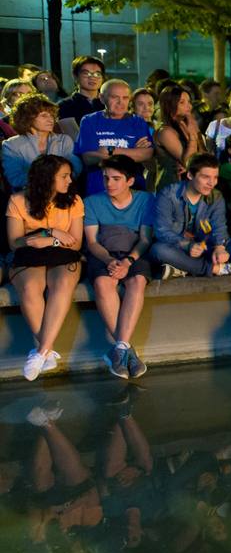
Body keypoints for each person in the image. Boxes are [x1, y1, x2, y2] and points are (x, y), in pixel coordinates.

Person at [6, 155, 84, 380]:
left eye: (69, 175)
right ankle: (47, 352)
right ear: (47, 178)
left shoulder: (74, 201)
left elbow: (76, 243)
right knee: (31, 287)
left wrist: (51, 241)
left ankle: (40, 353)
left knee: (60, 285)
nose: (69, 180)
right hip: (29, 254)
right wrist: (47, 232)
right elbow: (15, 242)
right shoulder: (18, 200)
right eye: (64, 176)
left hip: (63, 253)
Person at [82, 155, 155, 378]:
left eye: (116, 179)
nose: (109, 184)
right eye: (106, 178)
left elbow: (145, 239)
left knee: (138, 281)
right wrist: (109, 262)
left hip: (133, 252)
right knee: (104, 283)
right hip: (104, 253)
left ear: (130, 181)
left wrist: (128, 262)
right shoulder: (92, 202)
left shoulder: (145, 200)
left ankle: (118, 350)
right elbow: (92, 242)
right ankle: (125, 349)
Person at [150, 153, 231, 277]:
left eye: (215, 177)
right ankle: (213, 269)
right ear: (190, 175)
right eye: (206, 177)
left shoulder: (216, 196)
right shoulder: (168, 195)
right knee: (158, 250)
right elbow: (162, 231)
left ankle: (183, 269)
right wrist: (188, 245)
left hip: (204, 247)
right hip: (179, 247)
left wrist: (219, 247)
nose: (212, 183)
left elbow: (219, 227)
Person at [75, 79, 153, 195]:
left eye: (125, 98)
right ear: (101, 98)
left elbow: (146, 154)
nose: (120, 102)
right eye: (114, 97)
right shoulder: (89, 121)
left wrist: (111, 150)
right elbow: (88, 157)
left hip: (134, 190)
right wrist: (133, 152)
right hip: (99, 190)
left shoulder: (138, 122)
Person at [2, 93, 78, 191]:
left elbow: (75, 170)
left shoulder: (64, 140)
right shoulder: (11, 145)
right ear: (28, 118)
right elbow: (15, 178)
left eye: (52, 115)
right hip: (28, 197)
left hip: (62, 196)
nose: (50, 119)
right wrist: (51, 179)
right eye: (44, 115)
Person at [153, 84, 206, 189]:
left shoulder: (187, 125)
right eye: (182, 102)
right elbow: (189, 162)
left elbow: (204, 156)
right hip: (171, 189)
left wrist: (196, 133)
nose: (189, 106)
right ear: (170, 105)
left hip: (190, 187)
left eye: (189, 102)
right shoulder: (165, 131)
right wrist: (192, 136)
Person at [56, 55, 105, 128]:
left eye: (97, 74)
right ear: (75, 76)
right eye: (86, 73)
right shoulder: (64, 106)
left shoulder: (108, 103)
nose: (92, 77)